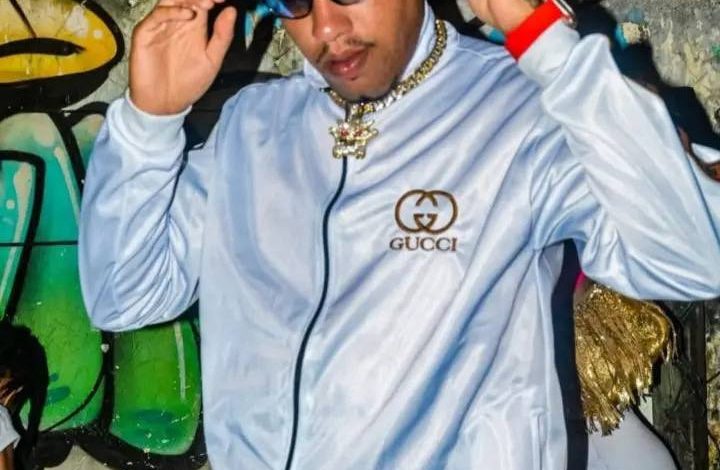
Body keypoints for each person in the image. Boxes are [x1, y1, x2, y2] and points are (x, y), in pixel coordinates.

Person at [78, 0, 720, 468]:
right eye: (296, 2)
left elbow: (696, 261)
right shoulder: (252, 125)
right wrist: (148, 125)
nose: (326, 29)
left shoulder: (518, 109)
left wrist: (547, 46)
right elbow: (124, 297)